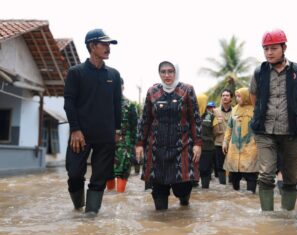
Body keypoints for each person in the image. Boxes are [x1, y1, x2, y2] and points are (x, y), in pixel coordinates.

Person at [249, 28, 297, 211]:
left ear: (284, 47)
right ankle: (267, 217)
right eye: (265, 49)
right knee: (266, 175)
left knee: (291, 179)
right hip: (264, 131)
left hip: (292, 132)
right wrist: (261, 113)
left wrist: (294, 113)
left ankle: (288, 216)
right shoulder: (259, 72)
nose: (269, 52)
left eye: (273, 48)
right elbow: (254, 97)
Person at [64, 28, 121, 215]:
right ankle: (77, 207)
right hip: (80, 135)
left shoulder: (113, 75)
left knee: (99, 178)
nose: (108, 48)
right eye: (104, 44)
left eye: (109, 44)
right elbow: (69, 103)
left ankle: (89, 219)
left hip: (105, 136)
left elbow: (116, 105)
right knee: (74, 175)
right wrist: (75, 129)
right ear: (92, 46)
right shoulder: (76, 72)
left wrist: (117, 130)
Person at [135, 60, 202, 210]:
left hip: (182, 147)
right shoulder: (152, 92)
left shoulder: (187, 90)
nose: (167, 75)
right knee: (159, 197)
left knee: (183, 189)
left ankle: (184, 202)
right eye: (163, 71)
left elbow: (195, 118)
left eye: (170, 71)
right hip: (157, 149)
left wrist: (198, 143)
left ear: (176, 72)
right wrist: (139, 144)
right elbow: (145, 119)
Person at [222, 88, 259, 193]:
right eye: (236, 96)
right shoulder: (234, 110)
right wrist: (225, 142)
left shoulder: (255, 110)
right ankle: (237, 201)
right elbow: (229, 127)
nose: (237, 99)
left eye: (239, 96)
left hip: (250, 148)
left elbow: (260, 130)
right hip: (234, 149)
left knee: (251, 175)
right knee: (234, 176)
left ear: (246, 97)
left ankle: (250, 199)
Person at [106, 78, 138, 193]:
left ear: (122, 87)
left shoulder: (129, 105)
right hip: (106, 144)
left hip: (125, 145)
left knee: (122, 172)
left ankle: (120, 198)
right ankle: (110, 199)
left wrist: (134, 146)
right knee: (107, 172)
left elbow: (134, 127)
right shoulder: (103, 104)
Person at [213, 89, 233, 184]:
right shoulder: (215, 111)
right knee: (220, 166)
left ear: (231, 98)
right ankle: (222, 188)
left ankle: (233, 188)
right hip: (219, 142)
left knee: (232, 165)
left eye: (227, 95)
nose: (225, 97)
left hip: (232, 143)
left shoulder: (235, 111)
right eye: (223, 95)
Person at [197, 97, 219, 189]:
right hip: (194, 148)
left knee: (205, 171)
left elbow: (216, 131)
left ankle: (205, 191)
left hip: (207, 148)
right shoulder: (189, 115)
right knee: (197, 170)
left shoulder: (212, 117)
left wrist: (208, 139)